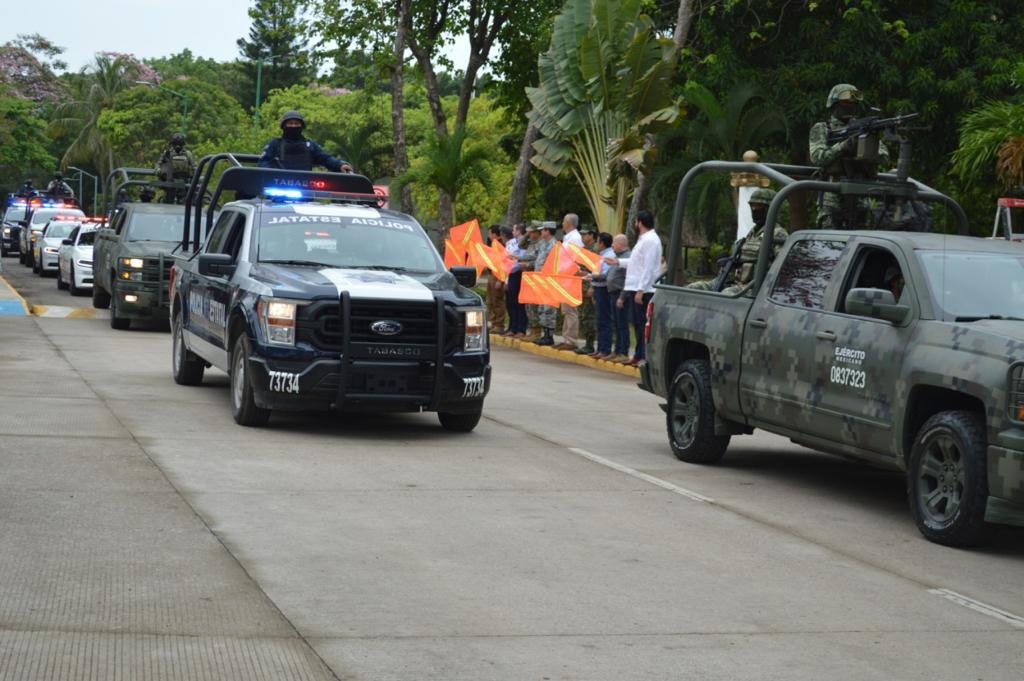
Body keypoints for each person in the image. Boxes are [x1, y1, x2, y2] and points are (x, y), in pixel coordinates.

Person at [809, 83, 890, 228]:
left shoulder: (864, 129)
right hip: (833, 198)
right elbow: (818, 157)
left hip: (862, 198)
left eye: (854, 103)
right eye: (845, 102)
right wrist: (844, 146)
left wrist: (865, 146)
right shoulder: (822, 128)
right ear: (834, 104)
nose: (850, 106)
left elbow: (884, 156)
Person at [687, 188, 787, 294]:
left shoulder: (777, 233)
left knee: (727, 294)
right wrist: (731, 262)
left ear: (770, 208)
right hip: (735, 282)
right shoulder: (752, 233)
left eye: (758, 206)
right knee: (694, 287)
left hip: (756, 288)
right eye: (752, 205)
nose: (754, 209)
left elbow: (783, 267)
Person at [610, 211, 662, 366]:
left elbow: (648, 267)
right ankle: (638, 354)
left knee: (642, 324)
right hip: (636, 287)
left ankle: (644, 356)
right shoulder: (643, 239)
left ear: (639, 222)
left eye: (635, 222)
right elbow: (635, 262)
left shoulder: (651, 240)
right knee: (637, 324)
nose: (634, 224)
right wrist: (617, 262)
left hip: (644, 290)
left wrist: (641, 289)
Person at [259, 110, 353, 172]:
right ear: (284, 126)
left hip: (305, 190)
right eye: (290, 123)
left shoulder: (310, 145)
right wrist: (269, 175)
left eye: (296, 123)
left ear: (301, 126)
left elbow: (325, 158)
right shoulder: (275, 144)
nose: (293, 126)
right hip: (278, 189)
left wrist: (340, 165)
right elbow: (264, 163)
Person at [554, 213, 584, 350]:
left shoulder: (575, 239)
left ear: (569, 223)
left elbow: (576, 259)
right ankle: (566, 338)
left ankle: (571, 340)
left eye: (564, 221)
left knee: (570, 309)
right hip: (564, 277)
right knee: (565, 309)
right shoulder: (568, 238)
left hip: (570, 277)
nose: (562, 223)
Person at [586, 232, 616, 359]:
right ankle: (600, 348)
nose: (597, 244)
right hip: (598, 289)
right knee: (599, 320)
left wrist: (592, 276)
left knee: (604, 320)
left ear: (602, 243)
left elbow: (606, 276)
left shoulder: (609, 256)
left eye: (598, 241)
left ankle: (605, 349)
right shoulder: (602, 255)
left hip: (604, 290)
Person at [606, 234, 632, 362]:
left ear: (621, 244)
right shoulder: (616, 257)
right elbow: (609, 274)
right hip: (613, 294)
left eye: (614, 243)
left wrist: (622, 297)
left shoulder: (627, 258)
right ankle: (616, 351)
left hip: (621, 295)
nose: (612, 245)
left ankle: (623, 352)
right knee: (616, 323)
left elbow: (628, 280)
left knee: (622, 324)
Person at [574, 226, 598, 355]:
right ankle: (587, 343)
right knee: (583, 315)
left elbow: (596, 270)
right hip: (581, 287)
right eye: (581, 235)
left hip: (588, 286)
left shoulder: (594, 250)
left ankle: (590, 344)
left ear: (591, 235)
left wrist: (592, 287)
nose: (582, 237)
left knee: (589, 316)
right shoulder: (583, 250)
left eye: (585, 235)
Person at [532, 223, 557, 346]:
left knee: (549, 309)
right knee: (542, 308)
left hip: (549, 280)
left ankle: (549, 335)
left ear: (548, 231)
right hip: (541, 280)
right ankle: (545, 334)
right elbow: (534, 256)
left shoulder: (554, 245)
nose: (541, 232)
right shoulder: (542, 243)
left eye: (543, 230)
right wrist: (518, 258)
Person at [503, 224, 529, 338]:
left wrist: (511, 264)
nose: (513, 232)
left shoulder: (524, 243)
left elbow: (520, 258)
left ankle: (520, 328)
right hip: (510, 274)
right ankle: (512, 327)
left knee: (518, 303)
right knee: (511, 302)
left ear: (519, 231)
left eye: (514, 230)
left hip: (518, 273)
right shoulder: (514, 242)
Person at [155, 132, 197, 203]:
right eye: (175, 144)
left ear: (183, 144)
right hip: (170, 183)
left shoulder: (188, 154)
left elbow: (195, 167)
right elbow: (158, 165)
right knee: (168, 200)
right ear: (172, 144)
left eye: (180, 144)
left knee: (186, 201)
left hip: (185, 183)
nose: (178, 146)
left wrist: (195, 175)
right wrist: (159, 170)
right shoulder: (167, 153)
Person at [520, 222, 543, 340]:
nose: (530, 234)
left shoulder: (541, 244)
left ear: (538, 232)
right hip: (527, 276)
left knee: (533, 304)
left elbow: (540, 261)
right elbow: (520, 245)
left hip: (534, 275)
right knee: (528, 304)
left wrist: (527, 264)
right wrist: (526, 235)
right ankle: (532, 329)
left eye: (532, 232)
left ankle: (536, 331)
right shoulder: (530, 243)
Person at [486, 224, 508, 333]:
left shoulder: (501, 245)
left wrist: (500, 279)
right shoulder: (492, 244)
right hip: (491, 274)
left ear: (495, 234)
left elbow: (503, 264)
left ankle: (499, 325)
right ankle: (493, 322)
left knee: (497, 300)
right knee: (490, 300)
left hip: (497, 275)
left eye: (490, 233)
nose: (489, 236)